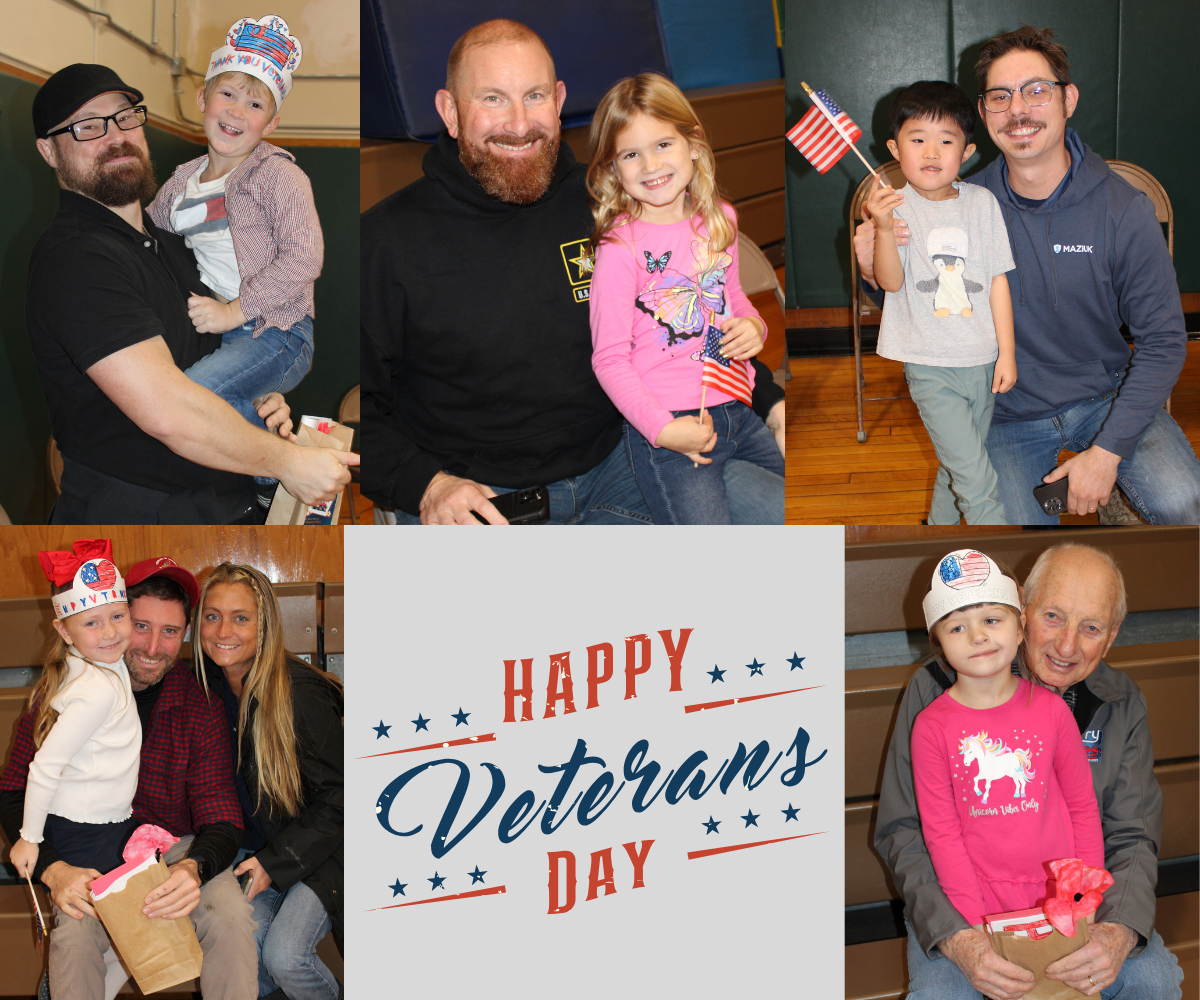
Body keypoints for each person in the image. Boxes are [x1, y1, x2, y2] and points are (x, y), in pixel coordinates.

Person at [361, 18, 784, 525]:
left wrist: (768, 397)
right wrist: (426, 485)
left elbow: (690, 312)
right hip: (480, 494)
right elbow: (356, 408)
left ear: (559, 101)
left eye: (534, 95)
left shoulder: (610, 205)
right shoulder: (385, 241)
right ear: (450, 112)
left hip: (631, 455)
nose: (519, 124)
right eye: (492, 99)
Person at [854, 26, 1200, 524]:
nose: (1018, 109)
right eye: (1000, 96)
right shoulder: (960, 207)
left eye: (1036, 90)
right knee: (1012, 549)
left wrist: (1107, 456)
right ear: (984, 114)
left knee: (1184, 505)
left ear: (1069, 99)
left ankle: (1114, 493)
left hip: (1106, 397)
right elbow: (934, 312)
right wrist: (873, 271)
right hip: (1004, 412)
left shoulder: (1122, 209)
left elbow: (1164, 340)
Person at [27, 63, 354, 524]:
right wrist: (286, 462)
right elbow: (171, 410)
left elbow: (213, 353)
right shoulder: (77, 257)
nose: (115, 135)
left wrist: (255, 399)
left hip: (215, 510)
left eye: (125, 116)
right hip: (138, 524)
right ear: (49, 151)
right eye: (86, 126)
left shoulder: (172, 243)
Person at [876, 543, 1183, 999]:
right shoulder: (936, 693)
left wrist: (1114, 928)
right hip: (960, 902)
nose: (1066, 645)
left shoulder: (1121, 701)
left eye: (1091, 627)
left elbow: (1132, 833)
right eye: (1054, 617)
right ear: (1024, 607)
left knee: (1152, 981)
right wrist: (961, 937)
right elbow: (903, 830)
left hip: (1078, 904)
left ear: (1113, 634)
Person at [0, 554, 258, 999]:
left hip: (174, 847)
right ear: (112, 619)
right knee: (73, 937)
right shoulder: (63, 690)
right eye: (140, 625)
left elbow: (221, 811)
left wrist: (194, 869)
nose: (153, 646)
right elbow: (15, 790)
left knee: (230, 916)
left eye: (170, 631)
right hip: (90, 851)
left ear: (185, 635)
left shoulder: (201, 701)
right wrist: (53, 870)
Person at [587, 73, 784, 524]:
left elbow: (732, 296)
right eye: (631, 155)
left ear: (693, 144)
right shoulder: (620, 249)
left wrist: (756, 326)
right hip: (671, 426)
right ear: (614, 169)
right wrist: (663, 429)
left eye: (662, 145)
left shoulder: (720, 220)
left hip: (738, 405)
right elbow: (609, 359)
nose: (650, 165)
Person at [909, 548, 1105, 997]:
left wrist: (1084, 894)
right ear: (940, 643)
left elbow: (1081, 807)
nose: (977, 637)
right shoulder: (931, 728)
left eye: (992, 620)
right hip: (980, 900)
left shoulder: (1053, 713)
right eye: (958, 627)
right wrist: (974, 922)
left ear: (1021, 628)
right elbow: (942, 834)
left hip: (1058, 897)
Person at [147, 16, 320, 494]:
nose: (238, 111)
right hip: (224, 335)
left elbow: (304, 260)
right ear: (203, 100)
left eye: (256, 102)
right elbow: (148, 233)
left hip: (279, 331)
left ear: (271, 122)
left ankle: (277, 471)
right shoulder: (181, 182)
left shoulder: (279, 176)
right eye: (228, 94)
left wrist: (231, 312)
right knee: (200, 405)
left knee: (192, 398)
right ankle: (273, 454)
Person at [865, 82, 1015, 525]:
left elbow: (996, 281)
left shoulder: (982, 203)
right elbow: (891, 283)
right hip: (929, 364)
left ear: (966, 151)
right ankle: (1002, 565)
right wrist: (885, 229)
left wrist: (1007, 352)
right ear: (895, 147)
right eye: (917, 140)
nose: (931, 152)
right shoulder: (895, 208)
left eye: (946, 141)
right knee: (977, 482)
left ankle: (935, 537)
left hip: (983, 360)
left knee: (957, 465)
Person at [195, 563, 343, 1000]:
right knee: (242, 956)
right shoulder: (210, 690)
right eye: (212, 615)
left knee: (285, 957)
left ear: (265, 627)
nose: (224, 630)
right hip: (260, 851)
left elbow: (341, 800)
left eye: (240, 617)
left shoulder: (301, 694)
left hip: (327, 849)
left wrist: (272, 864)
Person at [9, 541, 138, 891]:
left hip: (105, 821)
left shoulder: (97, 660)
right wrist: (30, 838)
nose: (110, 632)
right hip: (88, 830)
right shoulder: (94, 692)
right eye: (92, 623)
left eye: (118, 616)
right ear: (65, 631)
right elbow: (45, 766)